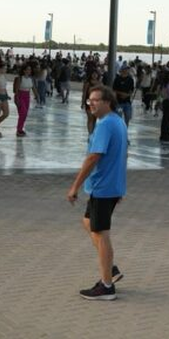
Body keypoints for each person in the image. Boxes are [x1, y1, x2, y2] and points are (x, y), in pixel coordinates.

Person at [66, 86, 128, 301]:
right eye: (88, 100)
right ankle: (110, 268)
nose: (90, 104)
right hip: (109, 186)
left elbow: (93, 157)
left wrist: (74, 186)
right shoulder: (117, 121)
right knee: (88, 222)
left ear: (107, 102)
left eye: (95, 100)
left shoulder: (106, 125)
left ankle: (106, 286)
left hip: (104, 187)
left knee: (101, 234)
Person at [13, 64, 33, 137]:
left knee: (24, 114)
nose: (29, 71)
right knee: (23, 113)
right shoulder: (20, 78)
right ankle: (19, 130)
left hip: (27, 97)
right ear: (24, 70)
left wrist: (37, 96)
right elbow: (16, 90)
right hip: (20, 96)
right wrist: (17, 99)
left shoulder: (30, 79)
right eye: (28, 69)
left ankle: (20, 128)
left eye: (30, 69)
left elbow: (33, 88)